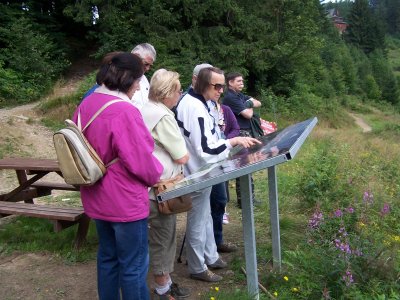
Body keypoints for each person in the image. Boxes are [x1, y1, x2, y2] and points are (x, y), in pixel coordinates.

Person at [72, 52, 163, 300]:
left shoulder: (86, 104)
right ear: (127, 78)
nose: (138, 87)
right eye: (138, 80)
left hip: (95, 195)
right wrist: (159, 174)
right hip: (124, 201)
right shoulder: (124, 111)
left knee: (108, 258)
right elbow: (141, 161)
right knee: (133, 266)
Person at [175, 67, 260, 282]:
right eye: (217, 86)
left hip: (204, 172)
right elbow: (204, 150)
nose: (221, 90)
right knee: (197, 221)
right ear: (202, 84)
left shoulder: (204, 102)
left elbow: (213, 137)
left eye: (222, 85)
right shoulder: (193, 106)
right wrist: (232, 142)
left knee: (204, 218)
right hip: (195, 172)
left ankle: (210, 257)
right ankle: (197, 266)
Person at [141, 69, 191, 299]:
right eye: (178, 91)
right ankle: (163, 287)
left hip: (146, 186)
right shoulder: (162, 116)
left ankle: (167, 282)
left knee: (160, 235)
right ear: (166, 93)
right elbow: (182, 156)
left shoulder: (144, 108)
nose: (180, 95)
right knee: (163, 237)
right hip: (158, 189)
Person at [222, 72, 262, 209]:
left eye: (242, 81)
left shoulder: (239, 96)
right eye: (238, 81)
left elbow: (258, 102)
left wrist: (248, 102)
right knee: (242, 166)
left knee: (247, 166)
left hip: (246, 133)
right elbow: (248, 113)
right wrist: (249, 103)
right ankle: (244, 200)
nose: (242, 83)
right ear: (230, 82)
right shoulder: (230, 98)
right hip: (238, 135)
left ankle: (249, 198)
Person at [208, 96, 240, 253]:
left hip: (222, 157)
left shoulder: (225, 110)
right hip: (207, 162)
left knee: (221, 200)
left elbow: (235, 128)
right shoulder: (198, 108)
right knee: (211, 202)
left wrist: (226, 141)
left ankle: (217, 239)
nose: (219, 92)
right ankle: (210, 244)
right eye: (215, 87)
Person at [130, 43, 157, 110]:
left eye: (150, 65)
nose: (148, 68)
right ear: (135, 57)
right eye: (146, 64)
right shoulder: (120, 78)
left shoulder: (144, 79)